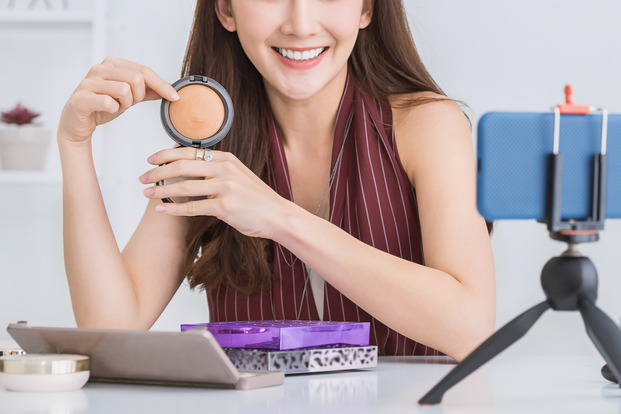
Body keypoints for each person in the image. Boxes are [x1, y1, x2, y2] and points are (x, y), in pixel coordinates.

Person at [57, 0, 495, 360]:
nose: (301, 24)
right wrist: (74, 145)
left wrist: (277, 217)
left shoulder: (427, 125)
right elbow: (109, 327)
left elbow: (469, 329)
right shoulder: (208, 144)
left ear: (366, 10)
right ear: (226, 10)